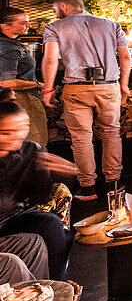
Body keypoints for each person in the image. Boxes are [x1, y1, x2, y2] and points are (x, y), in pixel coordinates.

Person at [40, 0, 131, 202]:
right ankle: (114, 184)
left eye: (55, 10)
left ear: (63, 6)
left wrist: (47, 89)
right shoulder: (112, 25)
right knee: (111, 134)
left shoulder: (54, 27)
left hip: (76, 88)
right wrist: (124, 84)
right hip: (108, 87)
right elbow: (125, 57)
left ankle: (88, 188)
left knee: (81, 138)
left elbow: (51, 60)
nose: (56, 14)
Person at [0, 100, 78, 280]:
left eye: (21, 129)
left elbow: (40, 197)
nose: (16, 136)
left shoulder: (31, 151)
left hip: (17, 216)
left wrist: (60, 173)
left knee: (52, 225)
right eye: (6, 132)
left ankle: (58, 287)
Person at [0, 8, 47, 146]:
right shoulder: (9, 48)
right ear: (4, 26)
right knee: (35, 143)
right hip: (22, 99)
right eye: (23, 22)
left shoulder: (11, 45)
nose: (29, 25)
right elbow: (7, 82)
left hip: (13, 99)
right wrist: (38, 85)